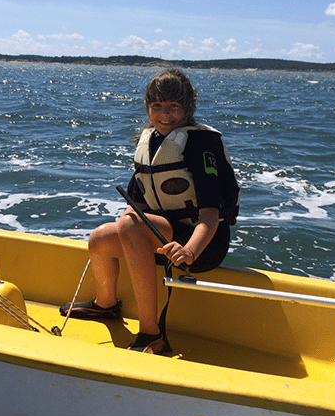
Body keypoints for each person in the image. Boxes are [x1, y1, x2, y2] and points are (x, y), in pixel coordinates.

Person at [60, 69, 240, 354]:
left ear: (189, 108)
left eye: (173, 106)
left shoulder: (201, 144)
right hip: (163, 239)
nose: (164, 114)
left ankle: (151, 334)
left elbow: (210, 214)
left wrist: (190, 250)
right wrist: (124, 233)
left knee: (130, 226)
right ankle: (106, 305)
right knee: (100, 239)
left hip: (204, 244)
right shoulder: (150, 143)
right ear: (147, 108)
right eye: (157, 106)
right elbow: (137, 205)